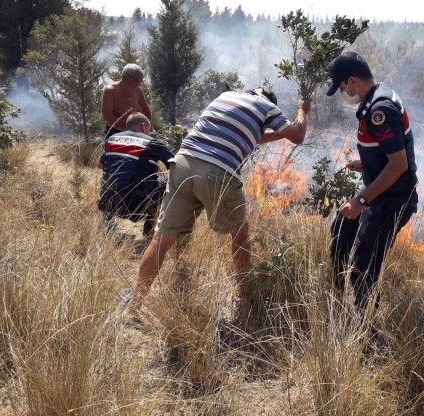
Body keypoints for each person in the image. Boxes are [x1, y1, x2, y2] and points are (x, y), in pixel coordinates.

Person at [122, 87, 312, 318]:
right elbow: (298, 136)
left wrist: (278, 134)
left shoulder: (227, 97)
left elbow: (256, 136)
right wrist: (302, 111)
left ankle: (133, 306)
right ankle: (245, 297)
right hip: (218, 172)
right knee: (240, 235)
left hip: (182, 164)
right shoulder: (268, 107)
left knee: (162, 238)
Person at [325, 52, 419, 311]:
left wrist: (361, 200)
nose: (343, 92)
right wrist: (366, 164)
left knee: (364, 266)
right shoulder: (378, 95)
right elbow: (390, 153)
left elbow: (399, 165)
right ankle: (337, 304)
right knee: (341, 231)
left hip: (391, 200)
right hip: (380, 193)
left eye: (342, 86)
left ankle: (365, 329)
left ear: (353, 81)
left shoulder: (380, 110)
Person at [98, 113, 173, 238]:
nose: (150, 132)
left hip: (108, 202)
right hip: (135, 205)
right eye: (150, 129)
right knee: (165, 182)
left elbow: (100, 166)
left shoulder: (112, 139)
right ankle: (149, 231)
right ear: (144, 126)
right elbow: (176, 168)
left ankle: (109, 226)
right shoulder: (153, 143)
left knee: (110, 179)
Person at [102, 64, 151, 139]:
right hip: (115, 133)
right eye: (136, 80)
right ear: (126, 77)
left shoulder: (137, 90)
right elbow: (107, 116)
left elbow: (145, 108)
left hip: (135, 133)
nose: (138, 84)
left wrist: (149, 127)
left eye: (140, 81)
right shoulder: (110, 91)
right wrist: (130, 127)